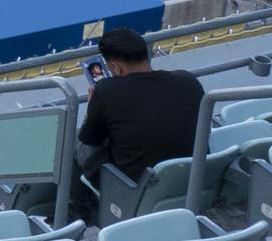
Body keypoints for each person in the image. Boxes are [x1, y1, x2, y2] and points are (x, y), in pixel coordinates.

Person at [75, 29, 203, 206]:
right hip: (190, 182)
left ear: (115, 67)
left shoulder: (107, 91)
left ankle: (76, 217)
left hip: (137, 188)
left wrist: (92, 108)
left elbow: (89, 140)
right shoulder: (189, 81)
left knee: (77, 145)